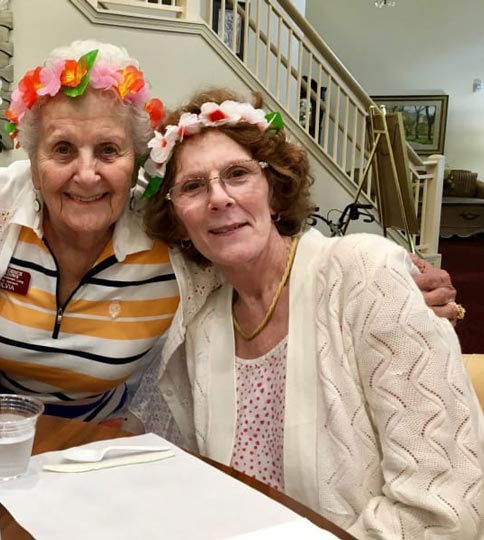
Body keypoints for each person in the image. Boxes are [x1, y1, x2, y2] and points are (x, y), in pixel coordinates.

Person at [0, 41, 459, 425]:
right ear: (32, 160)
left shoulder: (171, 232)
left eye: (108, 152)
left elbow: (272, 244)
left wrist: (390, 274)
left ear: (138, 163)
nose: (84, 175)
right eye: (62, 150)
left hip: (116, 451)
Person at [133, 88, 484, 538]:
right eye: (193, 187)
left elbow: (443, 508)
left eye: (238, 174)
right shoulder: (202, 330)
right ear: (179, 219)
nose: (218, 198)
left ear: (275, 192)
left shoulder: (364, 275)